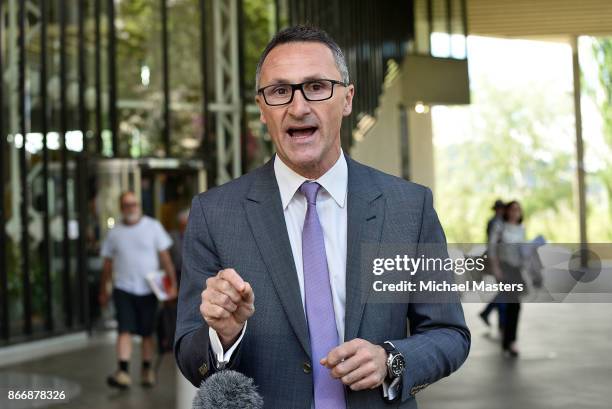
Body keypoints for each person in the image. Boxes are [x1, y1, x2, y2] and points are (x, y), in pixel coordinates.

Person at [175, 25, 470, 409]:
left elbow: (449, 333)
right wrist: (224, 337)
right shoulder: (214, 214)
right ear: (263, 109)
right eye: (279, 91)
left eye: (316, 87)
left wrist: (390, 360)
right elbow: (189, 355)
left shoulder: (408, 208)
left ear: (347, 99)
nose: (298, 107)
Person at [99, 191, 177, 388]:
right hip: (123, 288)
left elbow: (165, 258)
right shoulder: (115, 233)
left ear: (139, 206)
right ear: (121, 208)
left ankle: (146, 369)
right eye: (127, 205)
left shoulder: (153, 227)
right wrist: (104, 289)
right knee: (123, 329)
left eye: (134, 204)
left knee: (146, 332)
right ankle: (123, 371)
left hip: (148, 289)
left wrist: (171, 286)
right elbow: (107, 264)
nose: (131, 208)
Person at [488, 200, 526, 358]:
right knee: (512, 305)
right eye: (512, 209)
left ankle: (508, 341)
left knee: (512, 305)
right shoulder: (499, 226)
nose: (515, 212)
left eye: (518, 209)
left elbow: (522, 250)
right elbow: (492, 247)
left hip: (516, 269)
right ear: (507, 211)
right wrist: (495, 268)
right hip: (503, 268)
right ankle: (510, 341)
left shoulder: (521, 228)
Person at [479, 199, 506, 328]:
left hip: (503, 260)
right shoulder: (495, 222)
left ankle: (488, 313)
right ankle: (500, 321)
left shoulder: (501, 222)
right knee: (504, 292)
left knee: (504, 292)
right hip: (497, 260)